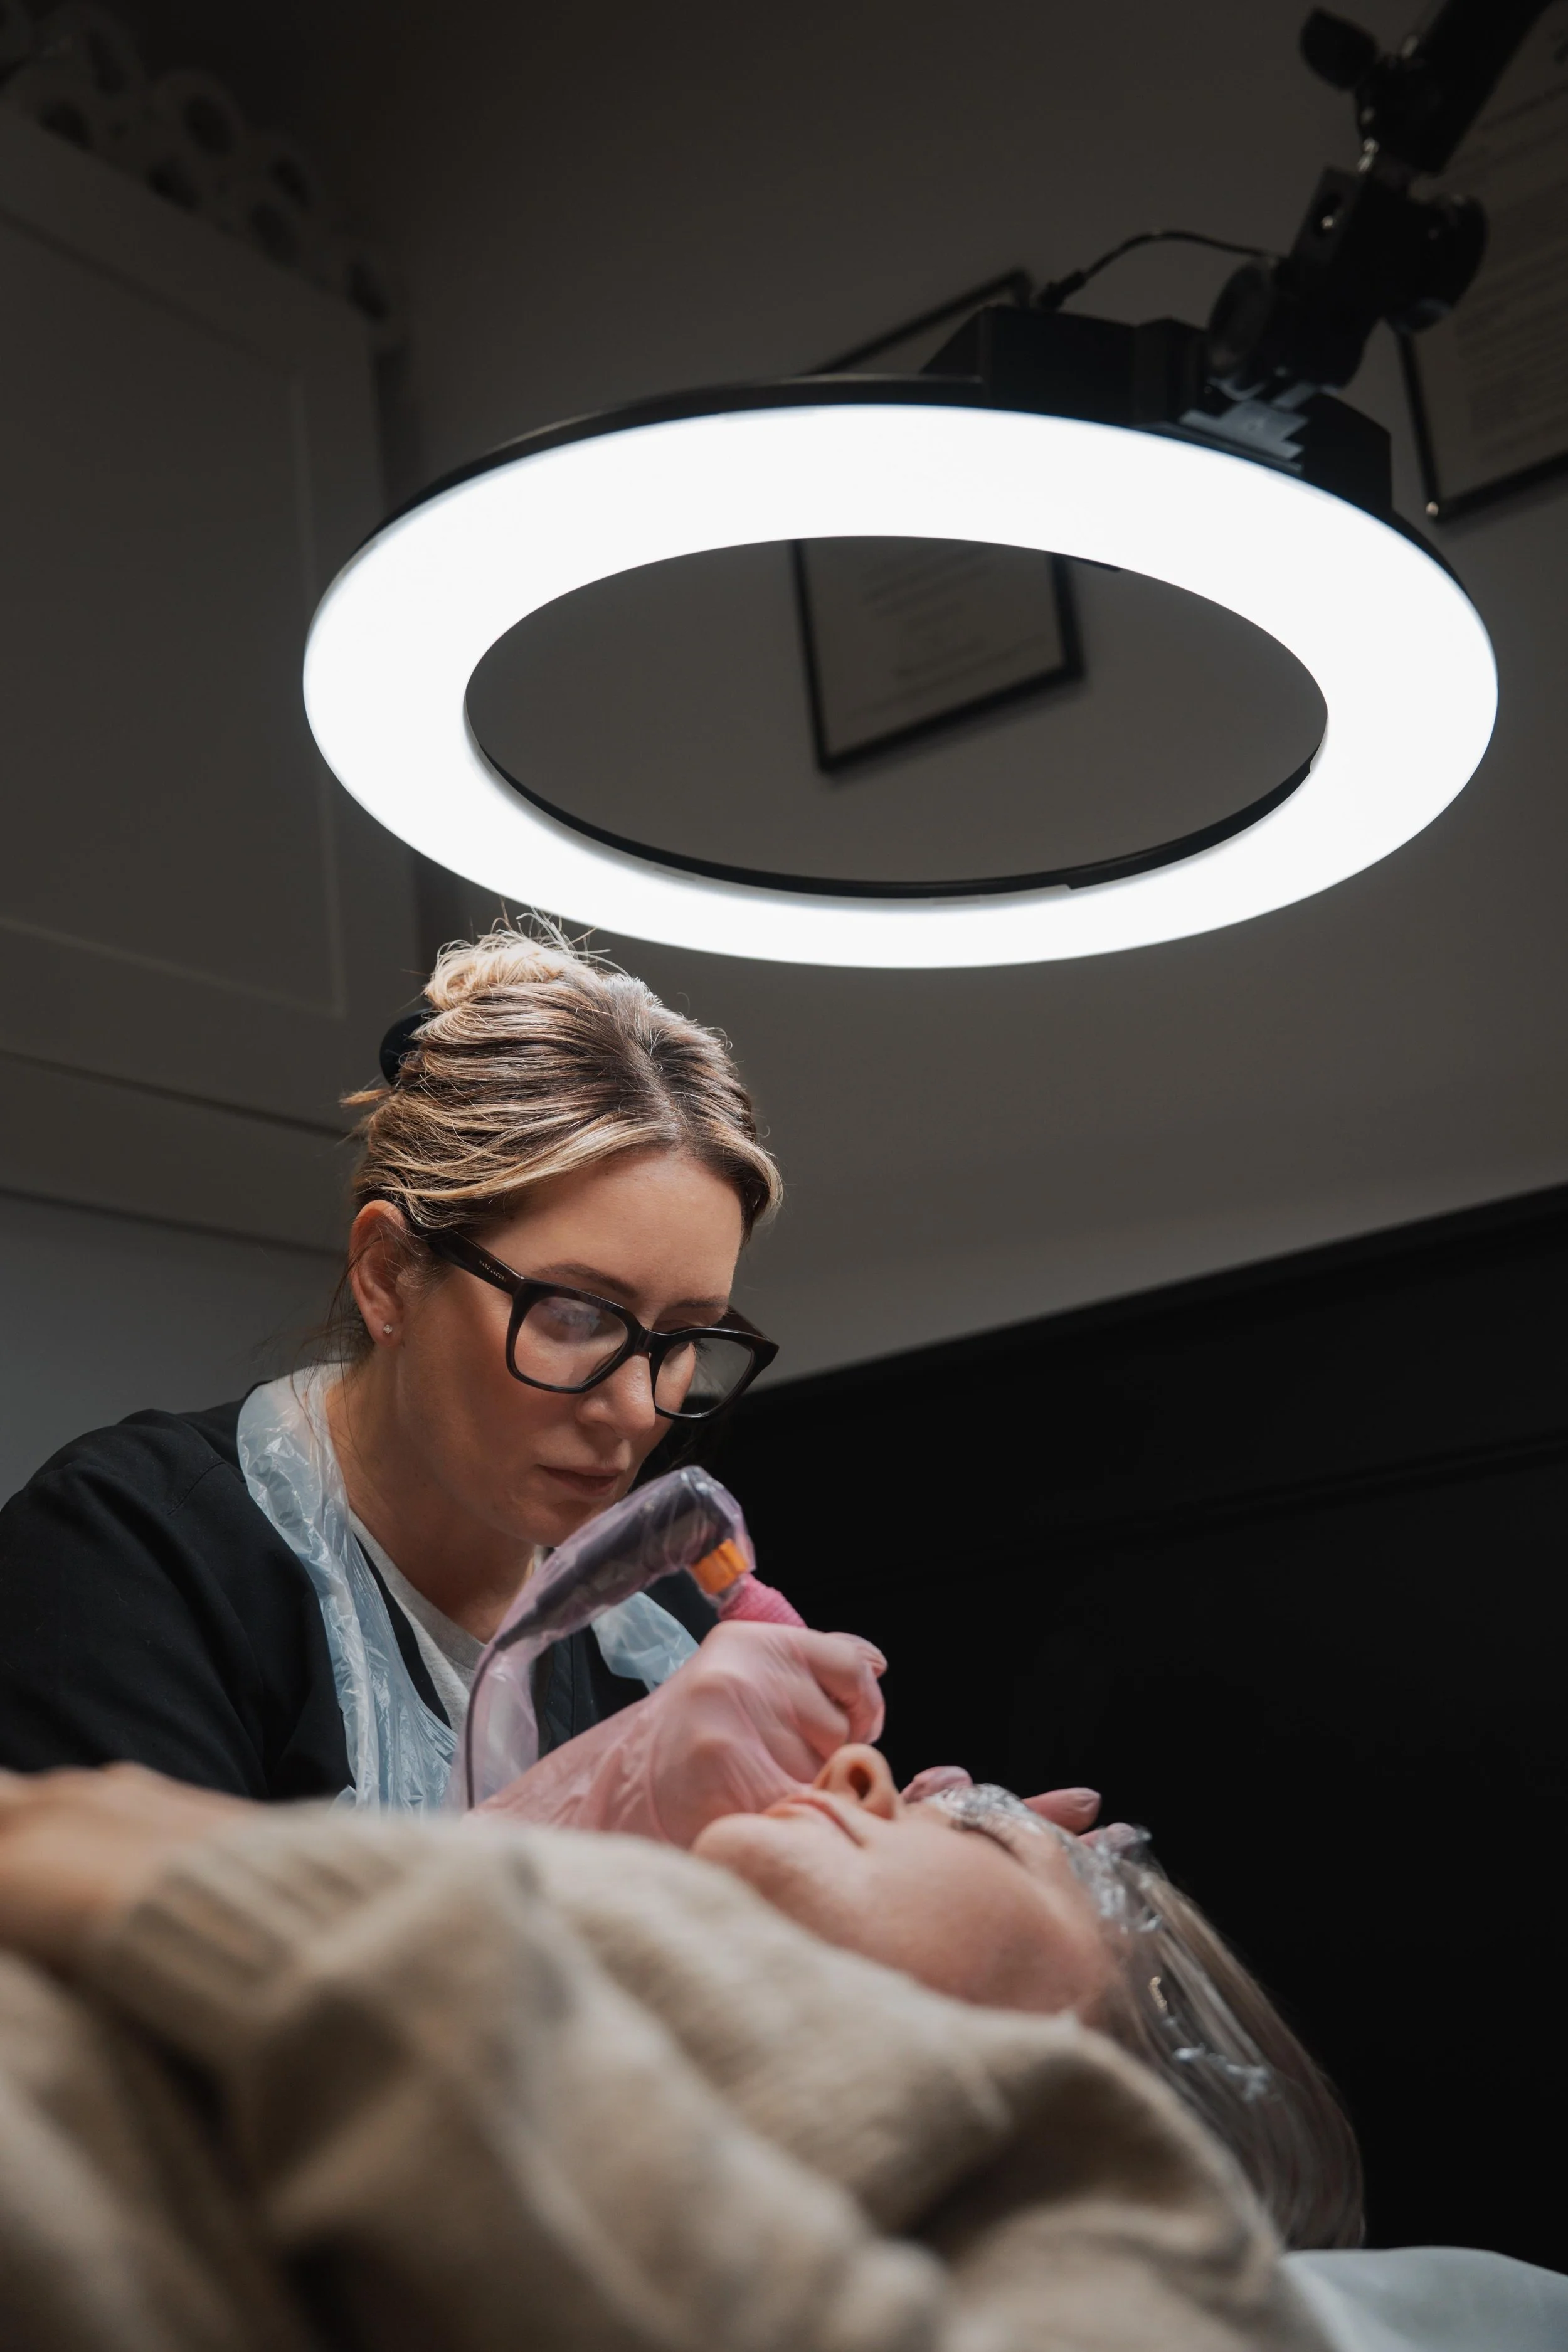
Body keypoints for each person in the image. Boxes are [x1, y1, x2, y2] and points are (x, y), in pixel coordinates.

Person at [0, 1754, 1352, 2352]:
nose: (863, 1767)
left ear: (1124, 2084)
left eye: (984, 1824)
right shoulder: (562, 2012)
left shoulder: (1167, 2273)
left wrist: (256, 1906)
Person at [0, 930, 885, 1823]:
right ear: (387, 1274)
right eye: (576, 1314)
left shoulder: (667, 1626)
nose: (632, 1410)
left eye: (685, 1335)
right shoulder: (132, 1555)